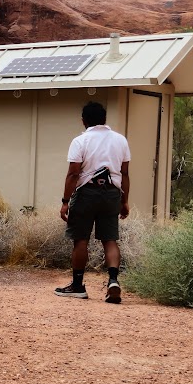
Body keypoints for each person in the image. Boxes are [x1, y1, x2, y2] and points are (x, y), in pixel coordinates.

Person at [55, 100, 131, 302]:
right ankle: (113, 280)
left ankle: (78, 286)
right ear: (104, 119)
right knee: (110, 239)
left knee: (81, 239)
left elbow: (73, 174)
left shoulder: (80, 141)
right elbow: (124, 174)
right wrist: (124, 201)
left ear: (83, 120)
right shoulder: (120, 140)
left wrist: (65, 201)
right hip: (112, 193)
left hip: (86, 193)